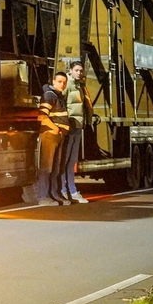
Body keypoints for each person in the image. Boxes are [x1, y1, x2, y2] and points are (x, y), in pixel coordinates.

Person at [38, 71, 71, 206]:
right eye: (59, 82)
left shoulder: (58, 96)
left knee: (56, 168)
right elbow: (42, 117)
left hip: (58, 135)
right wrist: (56, 129)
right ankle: (43, 197)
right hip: (51, 135)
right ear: (53, 81)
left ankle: (54, 194)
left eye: (64, 82)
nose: (62, 84)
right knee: (47, 167)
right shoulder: (49, 96)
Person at [60, 61, 91, 203]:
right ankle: (64, 190)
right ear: (70, 71)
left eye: (81, 70)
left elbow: (85, 105)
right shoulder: (67, 85)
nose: (79, 73)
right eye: (77, 70)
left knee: (72, 160)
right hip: (69, 127)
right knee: (65, 160)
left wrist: (88, 121)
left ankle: (72, 190)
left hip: (78, 127)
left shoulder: (80, 85)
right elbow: (61, 104)